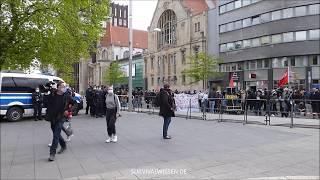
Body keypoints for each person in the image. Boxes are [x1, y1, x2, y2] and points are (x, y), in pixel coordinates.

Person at [46, 81, 74, 161]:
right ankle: (63, 145)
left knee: (55, 135)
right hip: (52, 117)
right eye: (62, 86)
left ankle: (52, 154)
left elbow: (74, 103)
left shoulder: (67, 96)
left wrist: (68, 111)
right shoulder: (53, 95)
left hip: (61, 117)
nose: (64, 88)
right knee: (56, 133)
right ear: (58, 87)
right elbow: (47, 103)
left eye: (64, 86)